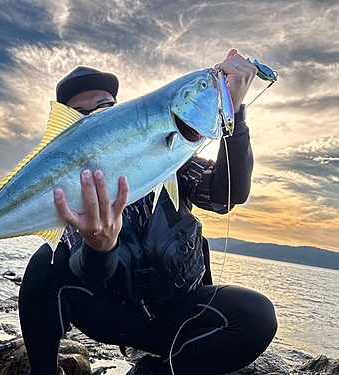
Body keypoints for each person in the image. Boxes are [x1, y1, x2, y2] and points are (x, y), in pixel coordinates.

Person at [18, 49, 278, 375]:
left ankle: (153, 373)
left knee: (258, 315)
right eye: (82, 116)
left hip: (176, 312)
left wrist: (235, 116)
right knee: (44, 265)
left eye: (104, 107)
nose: (95, 117)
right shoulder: (71, 190)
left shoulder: (172, 156)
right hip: (109, 314)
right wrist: (102, 248)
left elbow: (227, 194)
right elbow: (87, 270)